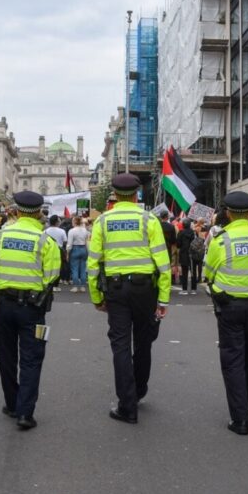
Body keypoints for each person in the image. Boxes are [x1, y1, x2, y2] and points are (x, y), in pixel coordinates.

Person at [87, 173, 171, 424]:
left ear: (114, 195)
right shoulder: (149, 220)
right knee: (144, 342)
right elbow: (163, 263)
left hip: (116, 290)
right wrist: (163, 300)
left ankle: (127, 404)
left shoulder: (103, 221)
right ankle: (140, 389)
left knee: (121, 344)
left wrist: (96, 297)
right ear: (136, 195)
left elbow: (94, 264)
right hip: (145, 289)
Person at [0, 191, 62, 429]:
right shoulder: (44, 240)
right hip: (33, 308)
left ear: (16, 211)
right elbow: (52, 276)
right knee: (32, 359)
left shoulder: (1, 236)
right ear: (39, 213)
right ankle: (25, 413)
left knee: (5, 355)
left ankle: (11, 403)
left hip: (4, 306)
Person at [204, 192, 248, 436]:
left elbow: (209, 272)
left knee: (232, 359)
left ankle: (239, 418)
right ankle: (245, 407)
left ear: (229, 213)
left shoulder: (222, 240)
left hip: (230, 307)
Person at [44, 215, 68, 292]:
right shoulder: (62, 231)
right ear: (57, 222)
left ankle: (48, 282)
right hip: (59, 250)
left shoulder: (46, 231)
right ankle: (56, 285)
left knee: (47, 266)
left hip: (48, 249)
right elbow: (65, 241)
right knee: (58, 267)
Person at [66, 215, 90, 292]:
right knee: (83, 268)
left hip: (75, 249)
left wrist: (67, 253)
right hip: (83, 249)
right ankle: (83, 286)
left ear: (74, 222)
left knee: (74, 268)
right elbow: (87, 242)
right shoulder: (85, 230)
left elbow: (69, 244)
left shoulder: (71, 231)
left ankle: (75, 286)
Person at [177, 219, 196, 295]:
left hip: (184, 253)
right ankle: (193, 289)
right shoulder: (193, 232)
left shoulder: (180, 233)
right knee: (193, 271)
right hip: (192, 253)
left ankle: (184, 289)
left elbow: (178, 244)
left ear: (183, 225)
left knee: (184, 272)